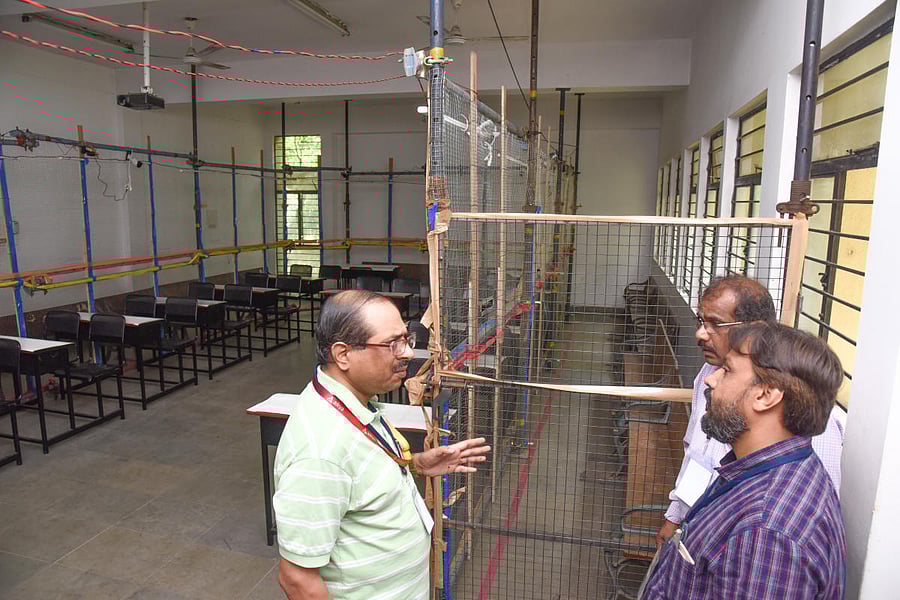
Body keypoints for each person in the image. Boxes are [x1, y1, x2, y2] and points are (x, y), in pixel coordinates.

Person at [273, 290, 490, 600]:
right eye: (392, 344)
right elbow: (297, 579)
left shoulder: (357, 402)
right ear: (343, 354)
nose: (405, 354)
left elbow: (359, 475)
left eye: (406, 339)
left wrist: (416, 463)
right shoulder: (320, 450)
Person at [640, 321, 846, 598]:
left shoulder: (767, 533)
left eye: (727, 371)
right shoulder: (762, 470)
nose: (712, 380)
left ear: (765, 395)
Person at [656, 276, 843, 547]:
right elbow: (698, 455)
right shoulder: (708, 374)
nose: (700, 334)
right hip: (701, 530)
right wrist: (676, 516)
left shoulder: (809, 415)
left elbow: (805, 511)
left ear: (754, 329)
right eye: (701, 322)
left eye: (715, 324)